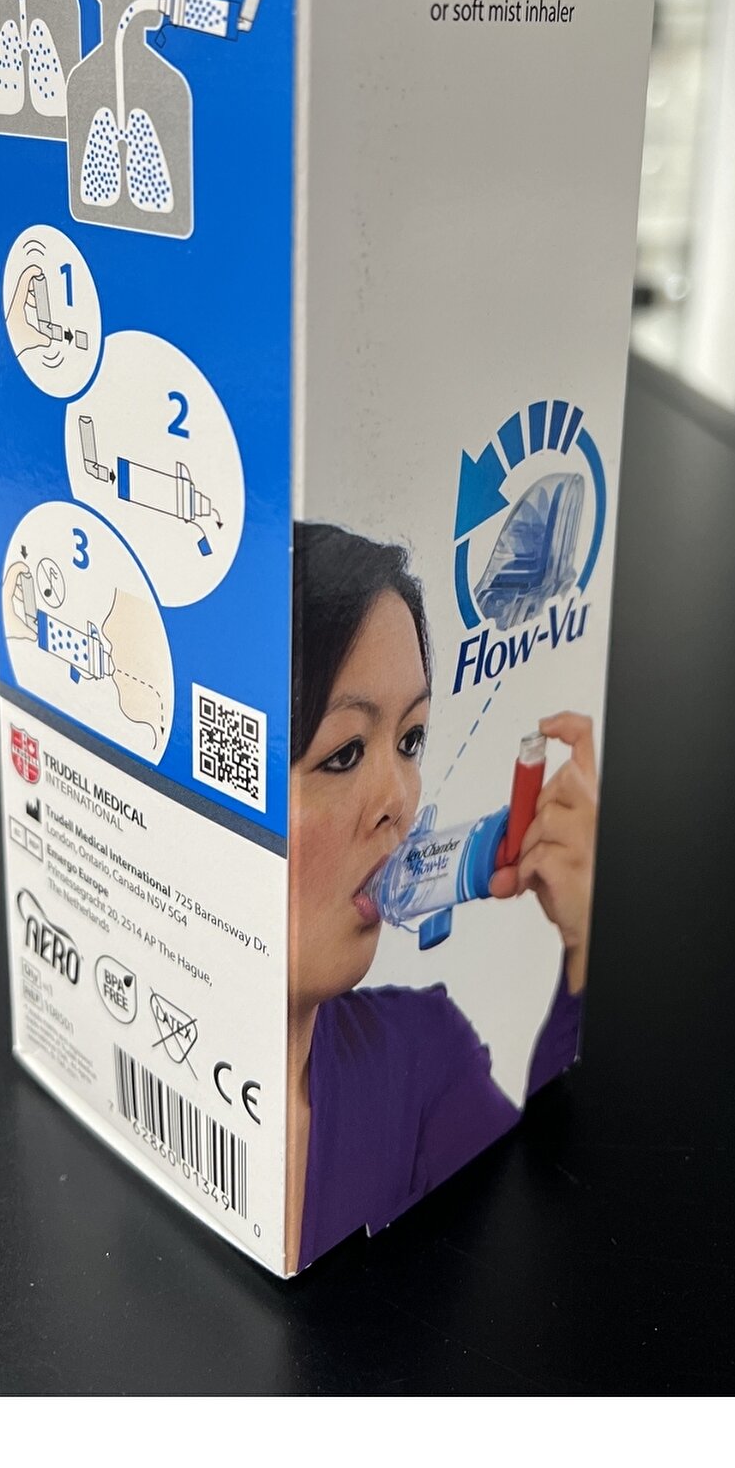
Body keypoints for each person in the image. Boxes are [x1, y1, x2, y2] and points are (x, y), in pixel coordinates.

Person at [287, 521, 600, 1271]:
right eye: (345, 752)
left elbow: (551, 1221)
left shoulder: (423, 1056)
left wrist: (585, 943)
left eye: (411, 741)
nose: (399, 800)